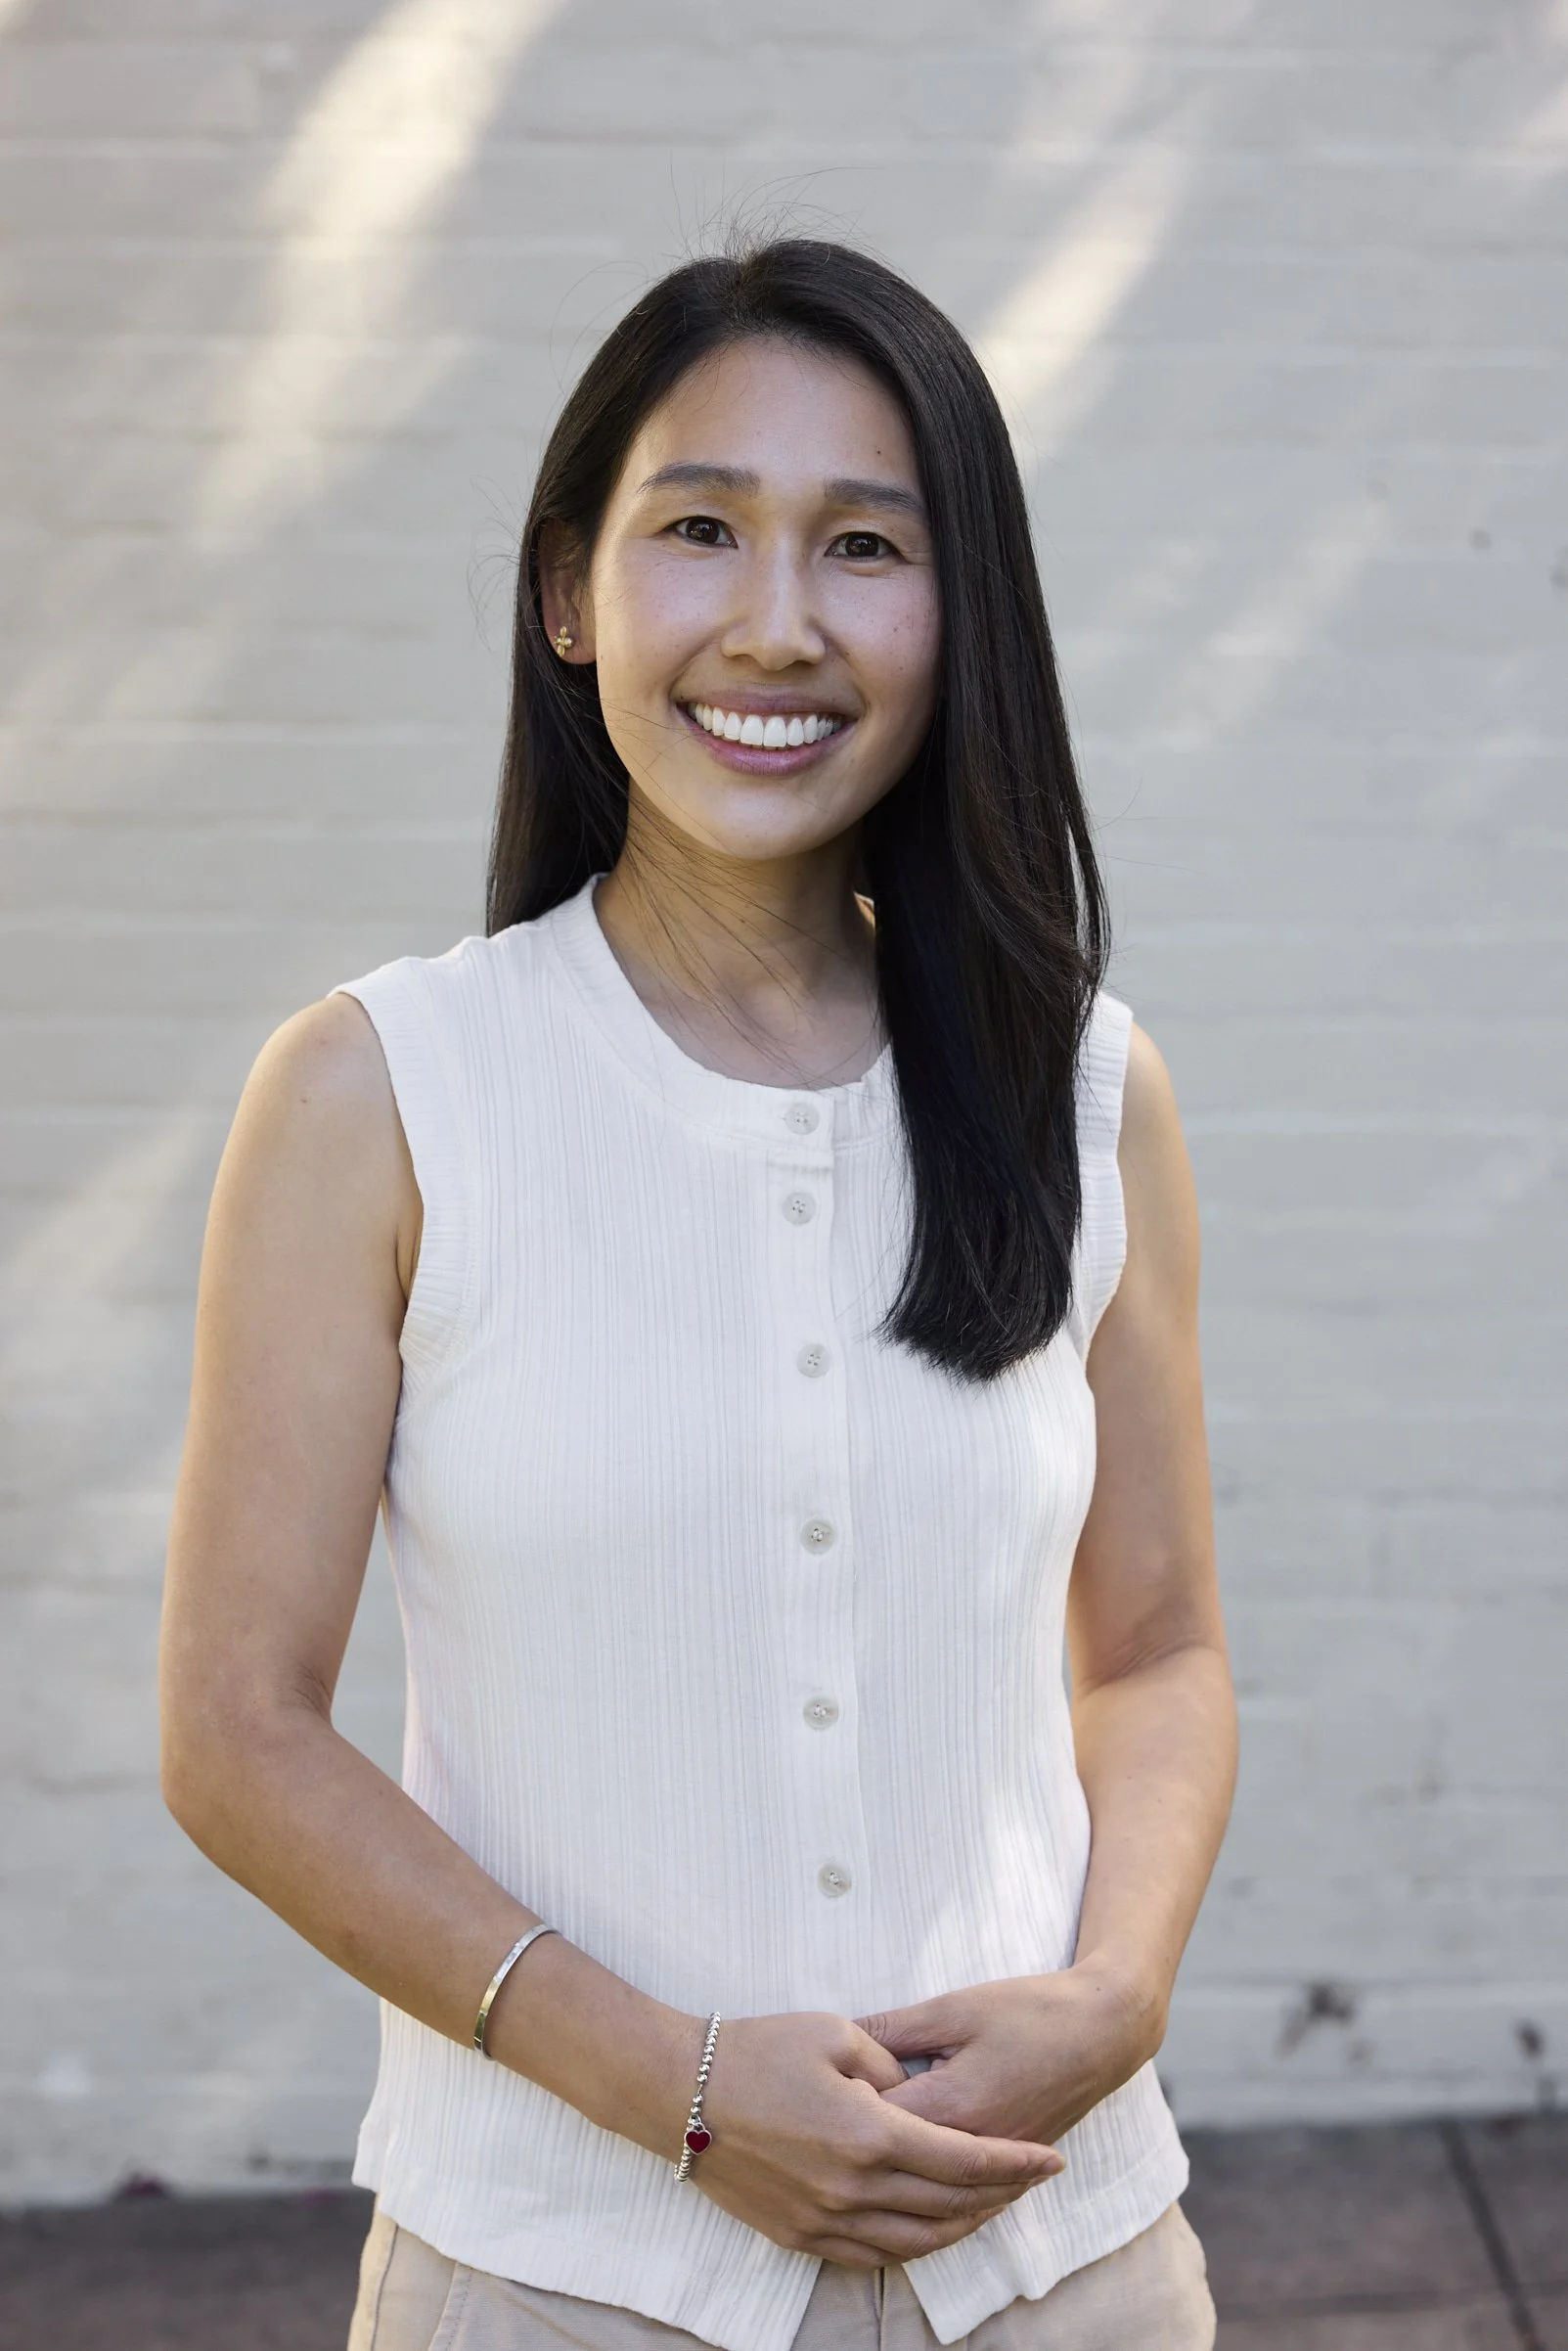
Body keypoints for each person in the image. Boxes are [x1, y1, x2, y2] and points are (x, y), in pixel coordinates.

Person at [161, 238, 1236, 2351]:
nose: (778, 622)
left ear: (961, 616)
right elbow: (235, 1732)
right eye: (698, 531)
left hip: (1067, 2259)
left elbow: (1164, 1641)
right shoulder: (379, 1093)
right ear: (571, 594)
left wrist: (1115, 1998)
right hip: (559, 2280)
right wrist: (668, 2084)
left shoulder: (1088, 1088)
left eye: (863, 545)